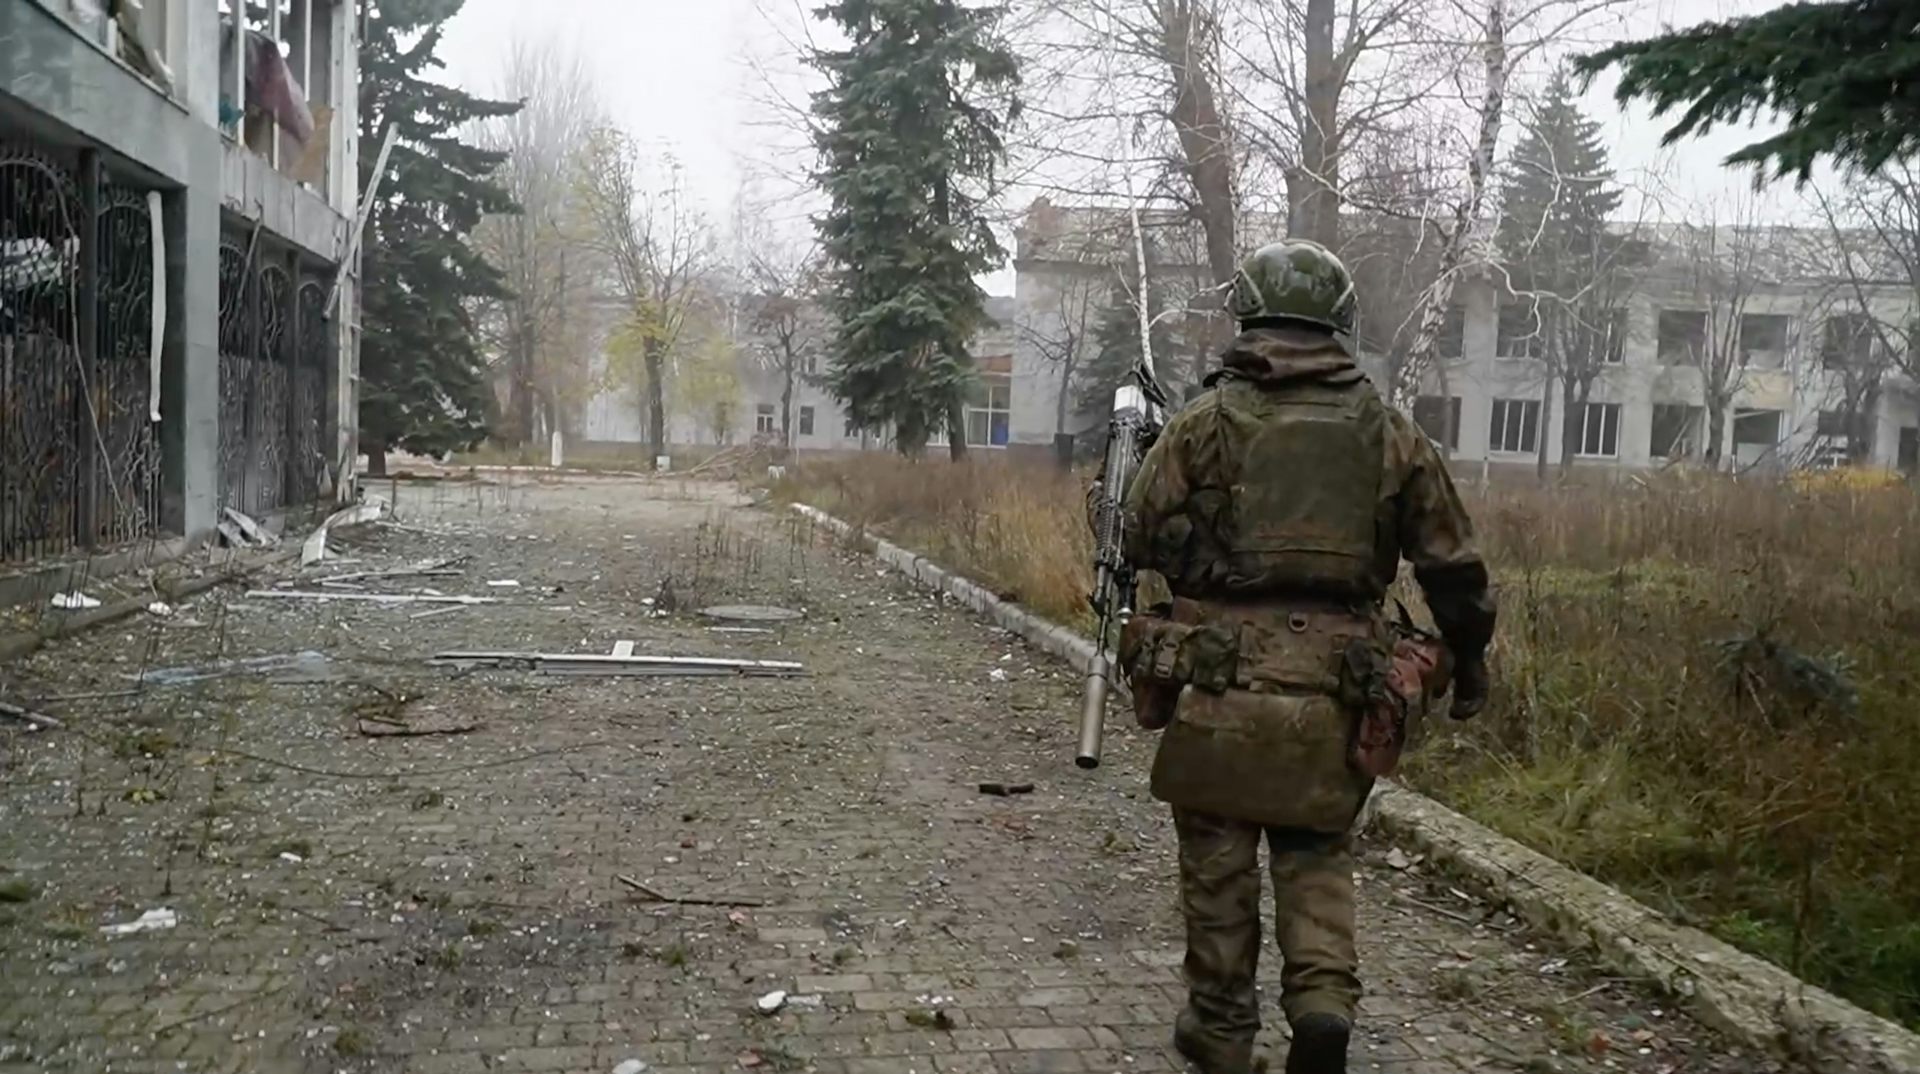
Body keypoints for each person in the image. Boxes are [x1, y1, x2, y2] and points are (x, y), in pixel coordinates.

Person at [1115, 239, 1496, 1074]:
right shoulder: (1388, 430)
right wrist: (1468, 663)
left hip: (1221, 682)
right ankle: (1322, 1005)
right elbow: (1455, 565)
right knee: (1316, 852)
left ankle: (1219, 1033)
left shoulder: (1203, 422)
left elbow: (1135, 531)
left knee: (1217, 866)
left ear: (1248, 315)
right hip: (1338, 688)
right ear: (1340, 325)